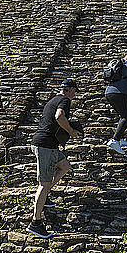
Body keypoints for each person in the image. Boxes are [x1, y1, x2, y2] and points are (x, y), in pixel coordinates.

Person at [27, 79, 81, 239]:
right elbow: (59, 116)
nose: (75, 95)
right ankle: (35, 223)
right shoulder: (64, 100)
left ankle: (45, 196)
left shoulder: (53, 99)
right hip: (46, 146)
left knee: (65, 166)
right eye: (75, 91)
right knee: (44, 184)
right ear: (70, 90)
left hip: (46, 144)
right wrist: (71, 131)